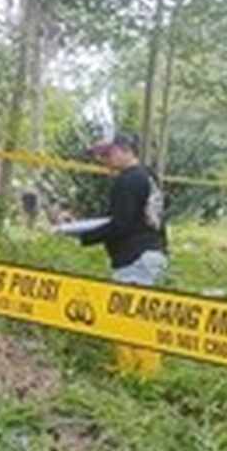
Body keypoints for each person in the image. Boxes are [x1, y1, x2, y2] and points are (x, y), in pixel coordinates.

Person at [79, 133, 169, 378]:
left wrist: (84, 235)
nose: (103, 160)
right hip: (152, 251)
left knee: (127, 316)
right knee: (138, 314)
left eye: (107, 154)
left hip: (135, 256)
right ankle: (133, 369)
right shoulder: (148, 177)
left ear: (124, 150)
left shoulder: (127, 181)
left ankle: (140, 373)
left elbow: (121, 224)